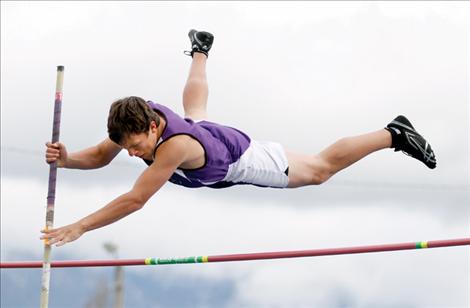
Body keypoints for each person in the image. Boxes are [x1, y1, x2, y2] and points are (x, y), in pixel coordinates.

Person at [41, 29, 436, 247]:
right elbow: (98, 155)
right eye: (126, 146)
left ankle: (392, 134)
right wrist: (67, 158)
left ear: (153, 127)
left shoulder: (171, 146)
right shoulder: (135, 118)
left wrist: (80, 226)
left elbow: (136, 199)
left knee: (319, 170)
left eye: (136, 145)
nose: (131, 153)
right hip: (204, 135)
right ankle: (200, 50)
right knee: (195, 113)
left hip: (235, 156)